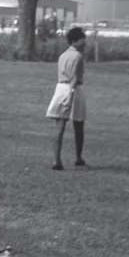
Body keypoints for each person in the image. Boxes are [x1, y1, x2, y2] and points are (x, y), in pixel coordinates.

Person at [46, 26, 88, 170]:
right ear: (75, 41)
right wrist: (71, 93)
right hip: (74, 89)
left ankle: (56, 160)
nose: (84, 45)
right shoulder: (78, 56)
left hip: (60, 88)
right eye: (82, 42)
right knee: (78, 125)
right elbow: (75, 77)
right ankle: (78, 157)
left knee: (59, 125)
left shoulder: (62, 55)